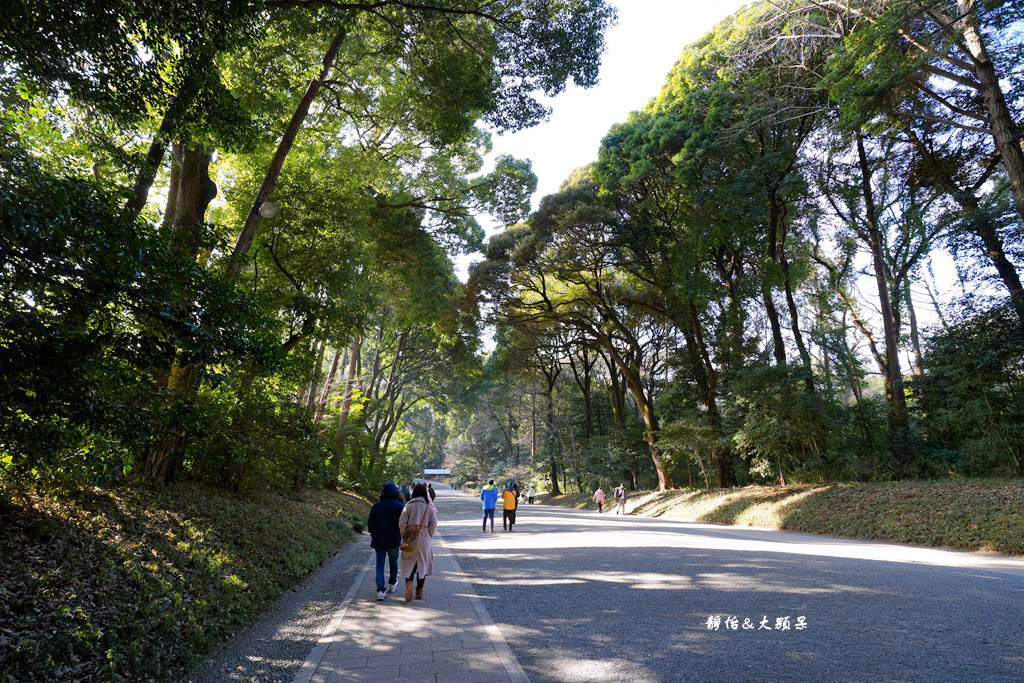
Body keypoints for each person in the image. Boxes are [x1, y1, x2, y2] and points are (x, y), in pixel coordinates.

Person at [399, 483, 438, 602]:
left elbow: (402, 523)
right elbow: (434, 523)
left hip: (410, 537)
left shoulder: (408, 505)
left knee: (408, 562)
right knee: (423, 564)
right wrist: (429, 534)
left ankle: (409, 583)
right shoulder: (429, 506)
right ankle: (419, 590)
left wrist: (404, 534)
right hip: (424, 538)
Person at [367, 483, 404, 600]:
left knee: (380, 565)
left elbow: (370, 523)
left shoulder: (376, 506)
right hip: (394, 539)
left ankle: (380, 590)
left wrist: (373, 534)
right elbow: (402, 523)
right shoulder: (399, 506)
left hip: (379, 540)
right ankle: (392, 583)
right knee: (393, 562)